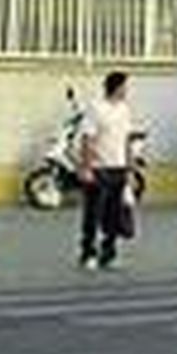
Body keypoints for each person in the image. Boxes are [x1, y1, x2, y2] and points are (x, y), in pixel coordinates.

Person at [78, 71, 135, 271]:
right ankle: (88, 253)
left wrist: (129, 168)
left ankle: (109, 253)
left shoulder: (125, 110)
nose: (127, 90)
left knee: (114, 214)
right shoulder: (96, 108)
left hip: (118, 167)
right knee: (93, 214)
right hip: (99, 168)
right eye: (125, 86)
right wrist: (86, 167)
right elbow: (87, 139)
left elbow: (127, 140)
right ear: (116, 87)